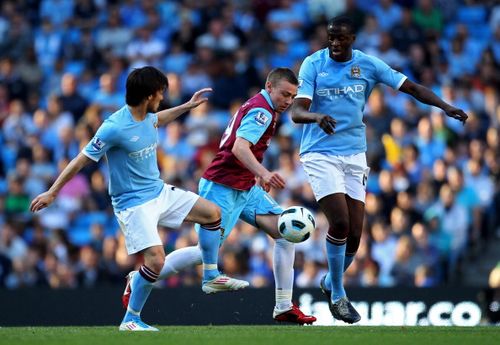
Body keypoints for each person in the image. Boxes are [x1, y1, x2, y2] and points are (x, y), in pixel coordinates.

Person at [30, 66, 249, 331]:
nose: (162, 97)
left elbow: (158, 120)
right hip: (132, 204)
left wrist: (187, 106)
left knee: (212, 214)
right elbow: (81, 160)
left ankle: (211, 275)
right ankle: (131, 319)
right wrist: (53, 191)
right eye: (160, 93)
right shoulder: (114, 127)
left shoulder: (148, 116)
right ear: (148, 95)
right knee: (156, 260)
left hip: (158, 191)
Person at [290, 16, 468, 324]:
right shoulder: (313, 64)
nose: (334, 43)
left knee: (356, 237)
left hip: (354, 155)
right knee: (341, 224)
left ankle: (330, 281)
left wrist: (444, 106)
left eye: (341, 38)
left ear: (353, 38)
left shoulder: (368, 65)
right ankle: (338, 295)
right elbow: (296, 111)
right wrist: (316, 116)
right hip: (319, 154)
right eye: (331, 37)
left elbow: (410, 87)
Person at [143, 67, 316, 324]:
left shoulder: (263, 105)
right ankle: (140, 279)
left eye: (293, 96)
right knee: (205, 253)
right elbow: (239, 147)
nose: (289, 102)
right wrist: (264, 172)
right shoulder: (262, 111)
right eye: (285, 95)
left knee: (284, 231)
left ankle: (283, 305)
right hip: (222, 186)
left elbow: (243, 147)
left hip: (244, 186)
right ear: (270, 87)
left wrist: (254, 173)